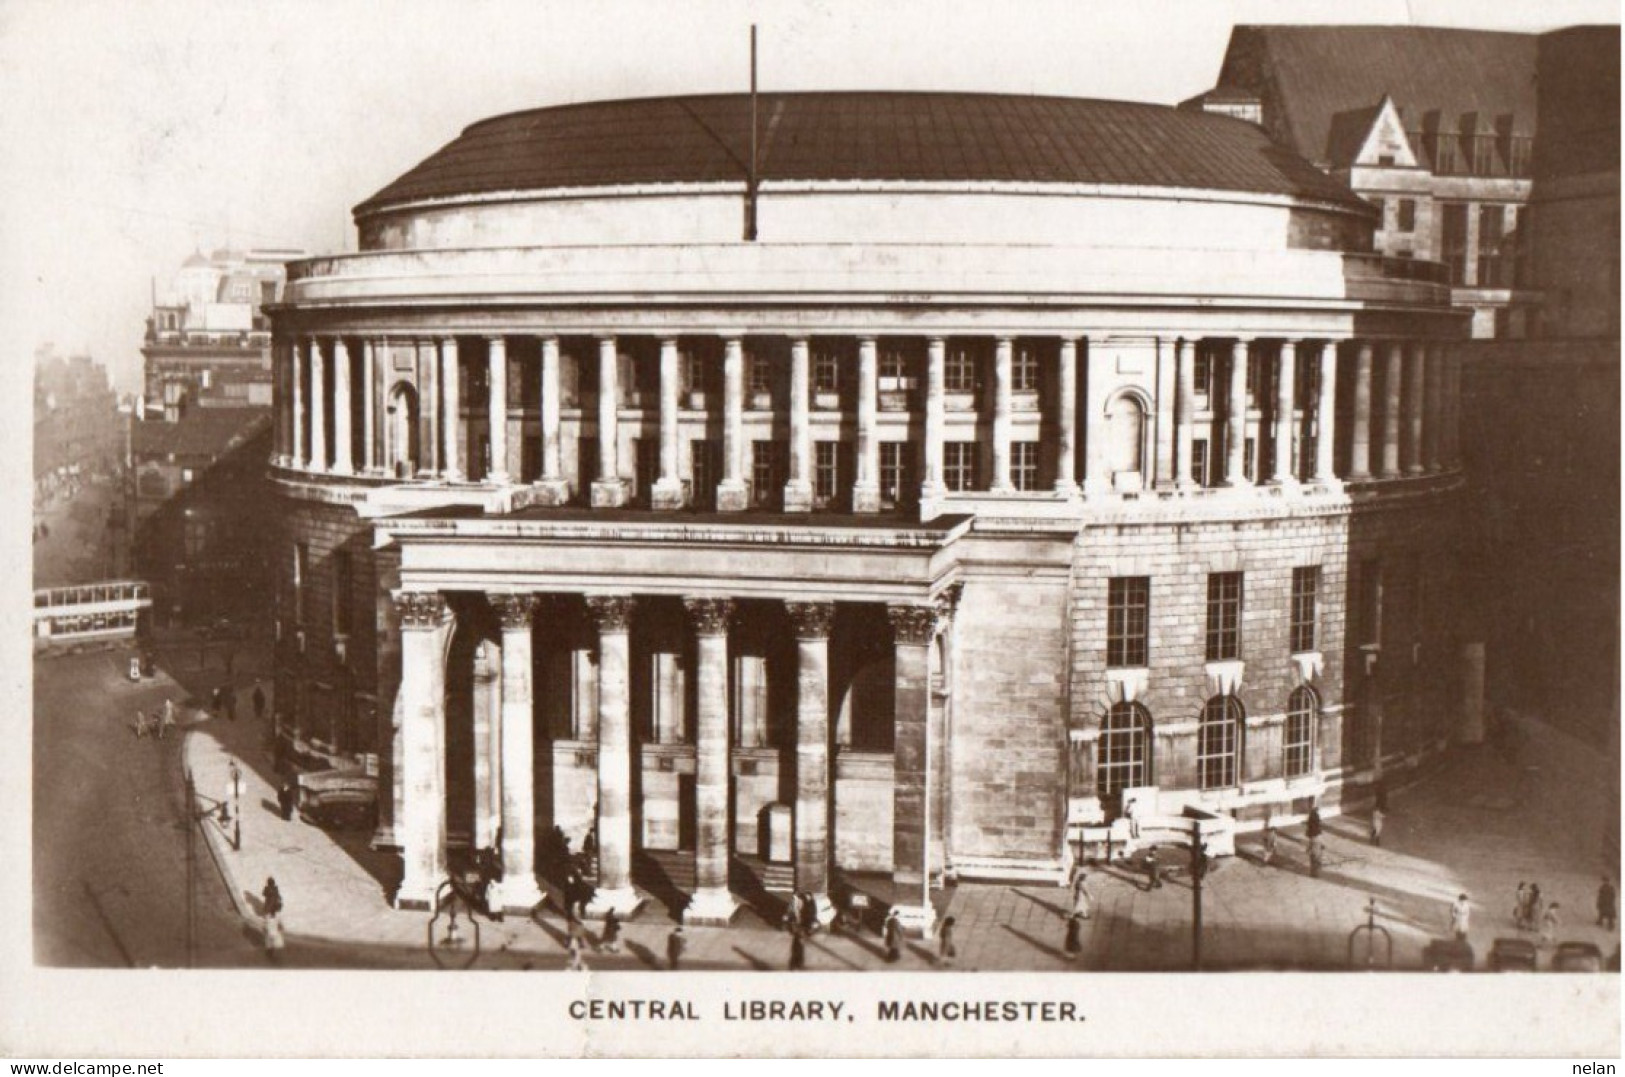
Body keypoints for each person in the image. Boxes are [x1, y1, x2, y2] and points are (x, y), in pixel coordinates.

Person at [262, 876, 285, 957]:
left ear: (268, 883)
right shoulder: (275, 889)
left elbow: (263, 894)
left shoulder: (267, 889)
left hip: (269, 909)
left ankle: (270, 949)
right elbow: (278, 897)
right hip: (273, 911)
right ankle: (272, 948)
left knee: (269, 934)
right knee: (273, 933)